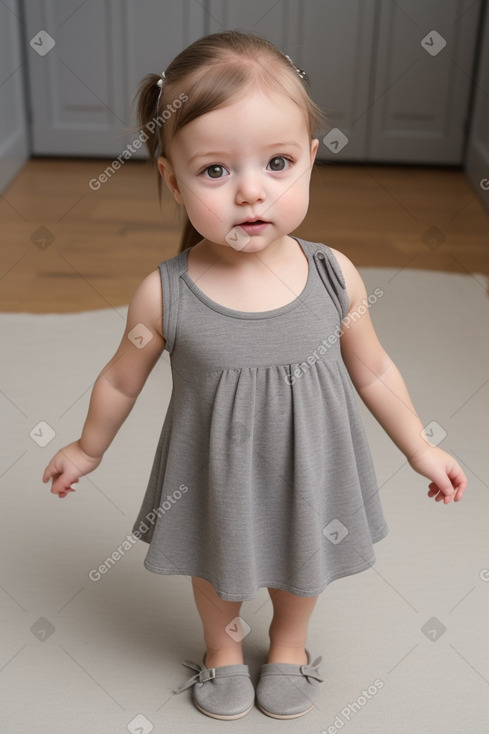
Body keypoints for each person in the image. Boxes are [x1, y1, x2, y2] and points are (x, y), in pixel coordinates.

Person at [42, 30, 468, 722]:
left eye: (277, 163)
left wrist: (420, 447)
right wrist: (87, 448)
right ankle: (222, 651)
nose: (249, 191)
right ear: (172, 180)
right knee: (216, 566)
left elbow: (374, 369)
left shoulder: (333, 276)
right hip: (214, 472)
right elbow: (121, 380)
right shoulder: (165, 293)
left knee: (306, 560)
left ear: (308, 165)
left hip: (312, 465)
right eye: (215, 171)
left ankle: (291, 647)